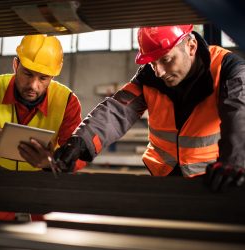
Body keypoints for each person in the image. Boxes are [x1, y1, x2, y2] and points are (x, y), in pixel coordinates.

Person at [54, 24, 245, 192]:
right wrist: (80, 141)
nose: (159, 72)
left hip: (212, 180)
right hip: (163, 179)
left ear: (191, 46)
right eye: (152, 63)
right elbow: (116, 110)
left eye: (166, 60)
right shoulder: (150, 76)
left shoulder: (228, 70)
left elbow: (239, 115)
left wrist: (234, 164)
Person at [0, 34, 85, 221]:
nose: (33, 85)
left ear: (53, 76)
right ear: (16, 65)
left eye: (43, 78)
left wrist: (54, 162)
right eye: (28, 74)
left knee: (45, 240)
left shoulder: (67, 101)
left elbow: (77, 155)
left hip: (44, 181)